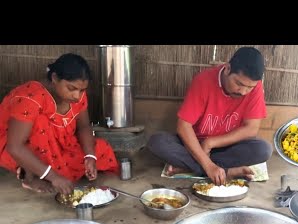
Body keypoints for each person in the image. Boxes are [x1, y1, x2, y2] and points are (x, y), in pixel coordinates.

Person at [147, 46, 273, 185]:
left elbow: (251, 129)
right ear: (227, 68)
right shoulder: (203, 80)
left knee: (263, 149)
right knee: (157, 142)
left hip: (227, 147)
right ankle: (226, 171)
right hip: (194, 145)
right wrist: (208, 164)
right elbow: (183, 126)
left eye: (249, 88)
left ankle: (190, 166)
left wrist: (211, 142)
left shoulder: (256, 87)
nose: (243, 91)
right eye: (238, 83)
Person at [0, 53, 119, 194]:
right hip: (14, 146)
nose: (77, 96)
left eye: (82, 90)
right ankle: (30, 176)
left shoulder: (77, 96)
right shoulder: (30, 98)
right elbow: (15, 147)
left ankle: (44, 170)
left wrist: (90, 157)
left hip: (60, 144)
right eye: (71, 88)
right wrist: (54, 177)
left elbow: (84, 126)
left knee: (100, 150)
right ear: (55, 78)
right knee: (41, 123)